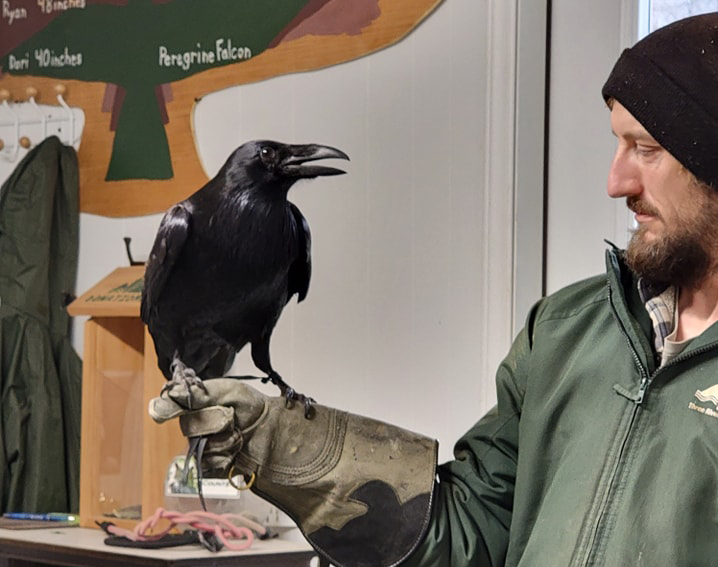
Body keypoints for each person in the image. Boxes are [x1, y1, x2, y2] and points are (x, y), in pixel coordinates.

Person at [149, 12, 718, 567]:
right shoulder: (567, 330)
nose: (616, 182)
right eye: (617, 146)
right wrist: (289, 447)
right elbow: (469, 530)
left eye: (646, 150)